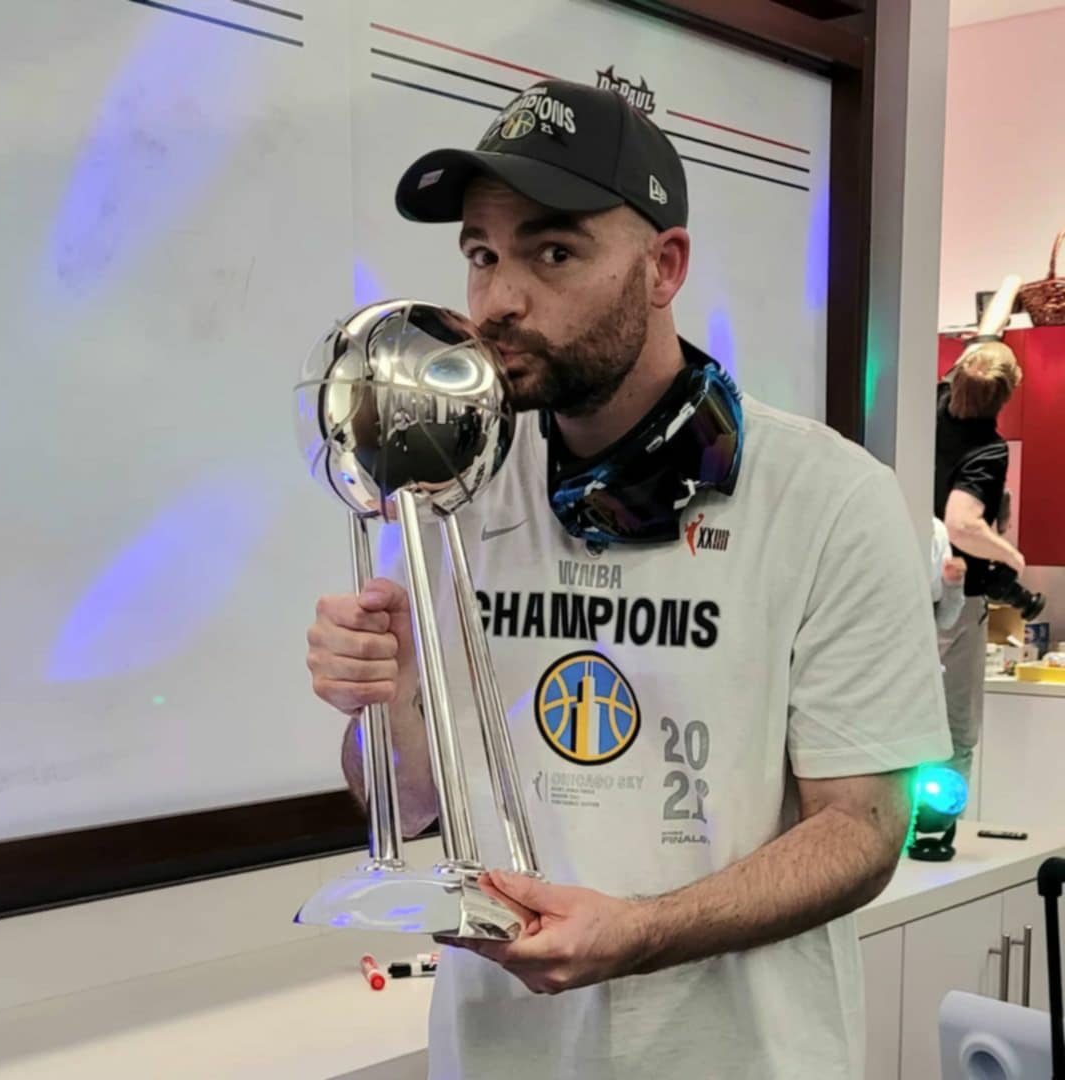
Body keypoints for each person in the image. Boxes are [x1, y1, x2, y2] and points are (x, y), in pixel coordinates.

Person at [306, 80, 951, 1080]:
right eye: (482, 254)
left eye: (553, 253)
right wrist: (381, 703)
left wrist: (641, 932)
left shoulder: (827, 499)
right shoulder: (455, 486)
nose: (498, 300)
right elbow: (418, 800)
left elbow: (863, 828)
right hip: (498, 1057)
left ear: (664, 266)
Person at [934, 344, 1025, 784]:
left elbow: (978, 353)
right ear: (1006, 395)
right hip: (957, 597)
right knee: (956, 734)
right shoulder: (988, 449)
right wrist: (1011, 555)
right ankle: (939, 818)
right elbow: (962, 524)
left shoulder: (931, 406)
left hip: (899, 586)